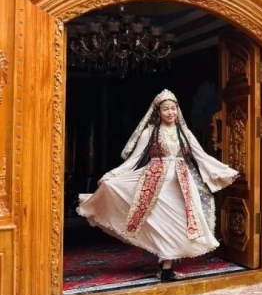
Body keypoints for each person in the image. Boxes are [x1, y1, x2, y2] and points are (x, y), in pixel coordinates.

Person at [77, 89, 239, 282]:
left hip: (181, 184)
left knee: (180, 222)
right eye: (166, 109)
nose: (170, 112)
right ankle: (166, 267)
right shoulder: (150, 133)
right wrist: (112, 175)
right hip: (154, 183)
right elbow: (134, 160)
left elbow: (200, 156)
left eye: (173, 108)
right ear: (158, 112)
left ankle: (166, 265)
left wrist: (222, 171)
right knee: (161, 222)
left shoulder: (184, 133)